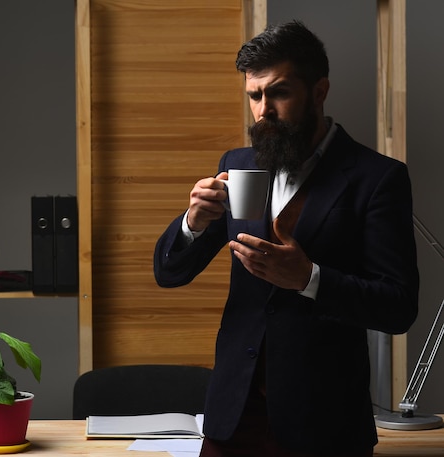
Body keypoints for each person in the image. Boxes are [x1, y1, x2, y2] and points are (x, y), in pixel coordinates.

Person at [153, 20, 419, 457]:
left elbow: (398, 307)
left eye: (278, 93)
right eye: (254, 96)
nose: (263, 111)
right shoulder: (238, 164)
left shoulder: (377, 178)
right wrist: (193, 223)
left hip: (326, 422)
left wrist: (309, 278)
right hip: (233, 415)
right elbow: (169, 273)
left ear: (319, 90)